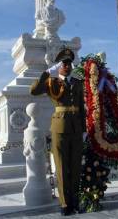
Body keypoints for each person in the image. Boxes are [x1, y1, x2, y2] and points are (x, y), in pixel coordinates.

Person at [30, 48, 86, 216]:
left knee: (76, 167)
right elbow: (34, 90)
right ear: (58, 65)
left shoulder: (77, 83)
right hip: (59, 128)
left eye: (70, 63)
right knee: (61, 167)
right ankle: (64, 203)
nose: (68, 66)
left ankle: (75, 201)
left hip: (76, 129)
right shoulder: (51, 82)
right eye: (64, 64)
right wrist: (47, 72)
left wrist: (84, 130)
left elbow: (81, 109)